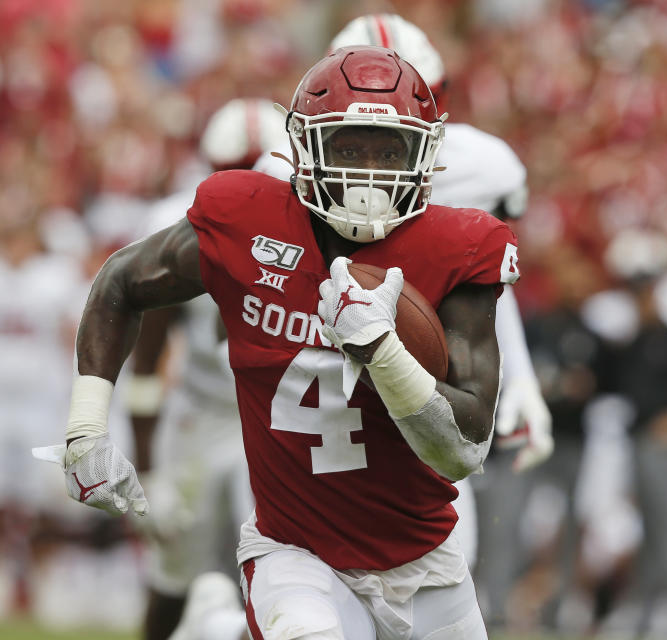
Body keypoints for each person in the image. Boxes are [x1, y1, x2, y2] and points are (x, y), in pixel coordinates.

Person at [35, 45, 519, 640]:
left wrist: (382, 352)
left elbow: (463, 451)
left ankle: (214, 629)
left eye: (388, 149)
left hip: (423, 558)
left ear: (423, 152)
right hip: (295, 551)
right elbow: (119, 283)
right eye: (348, 146)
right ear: (307, 146)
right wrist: (87, 427)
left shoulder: (458, 246)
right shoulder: (248, 218)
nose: (367, 171)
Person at [254, 13, 553, 596]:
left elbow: (483, 287)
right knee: (296, 567)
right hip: (312, 377)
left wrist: (521, 379)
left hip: (428, 372)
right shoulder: (278, 169)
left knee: (441, 552)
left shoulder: (483, 165)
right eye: (348, 134)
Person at [129, 98, 288, 640]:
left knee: (281, 574)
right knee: (173, 570)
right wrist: (147, 469)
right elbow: (146, 359)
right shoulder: (177, 229)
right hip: (202, 414)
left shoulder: (312, 231)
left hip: (276, 419)